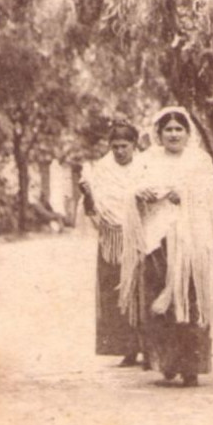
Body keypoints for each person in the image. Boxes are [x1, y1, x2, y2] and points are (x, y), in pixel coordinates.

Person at [121, 106, 213, 387]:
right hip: (156, 238)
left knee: (189, 300)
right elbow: (131, 191)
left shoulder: (199, 160)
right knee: (160, 300)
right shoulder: (147, 160)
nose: (173, 134)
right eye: (168, 129)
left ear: (187, 132)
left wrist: (189, 194)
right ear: (159, 133)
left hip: (190, 239)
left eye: (179, 129)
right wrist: (138, 195)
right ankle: (166, 362)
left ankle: (191, 367)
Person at [79, 120, 141, 366]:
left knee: (139, 291)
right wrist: (88, 195)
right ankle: (125, 347)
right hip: (110, 236)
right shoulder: (102, 170)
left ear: (134, 145)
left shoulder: (145, 166)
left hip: (138, 236)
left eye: (125, 146)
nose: (120, 151)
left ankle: (145, 345)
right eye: (115, 146)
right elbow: (92, 210)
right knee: (113, 291)